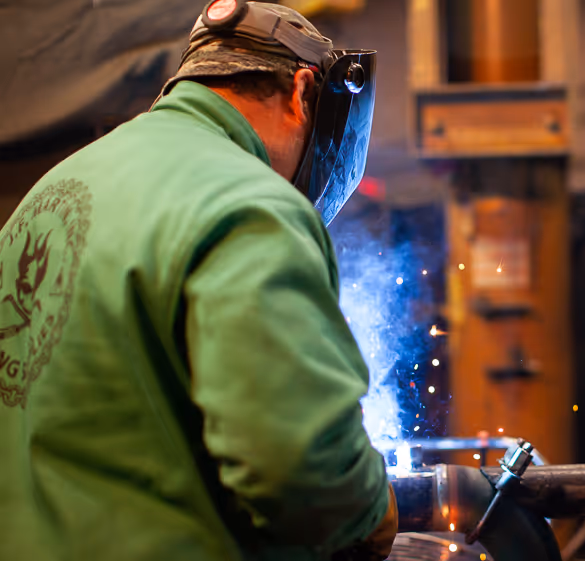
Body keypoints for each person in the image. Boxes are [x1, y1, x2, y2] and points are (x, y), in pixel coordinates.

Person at [0, 1, 396, 560]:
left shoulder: (47, 196)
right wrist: (372, 509)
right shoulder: (250, 203)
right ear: (304, 91)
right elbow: (302, 471)